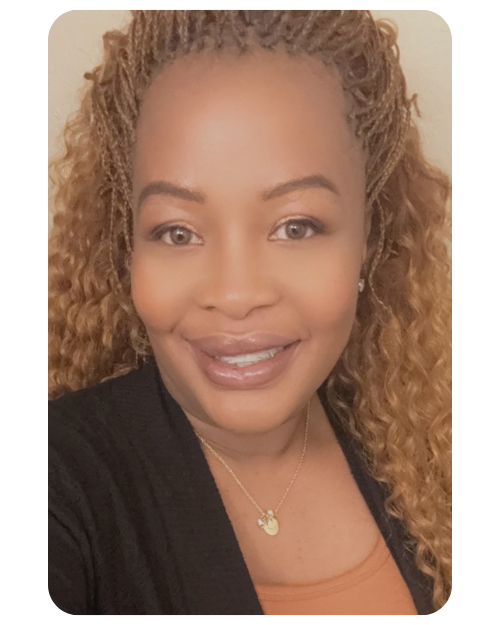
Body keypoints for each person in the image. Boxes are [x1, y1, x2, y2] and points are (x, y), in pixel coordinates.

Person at [48, 10, 451, 615]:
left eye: (296, 226)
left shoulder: (428, 448)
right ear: (126, 248)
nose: (235, 295)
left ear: (369, 238)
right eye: (178, 232)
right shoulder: (49, 483)